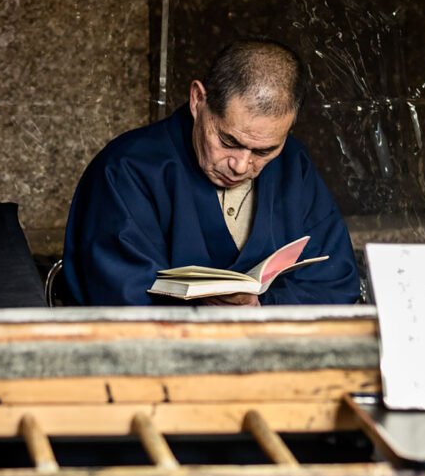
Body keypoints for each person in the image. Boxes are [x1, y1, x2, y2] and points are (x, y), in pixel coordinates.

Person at [63, 39, 360, 306]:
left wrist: (263, 306)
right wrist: (204, 311)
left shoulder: (294, 165)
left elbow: (336, 281)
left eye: (263, 151)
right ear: (198, 100)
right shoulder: (126, 169)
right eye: (228, 141)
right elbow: (119, 294)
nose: (242, 165)